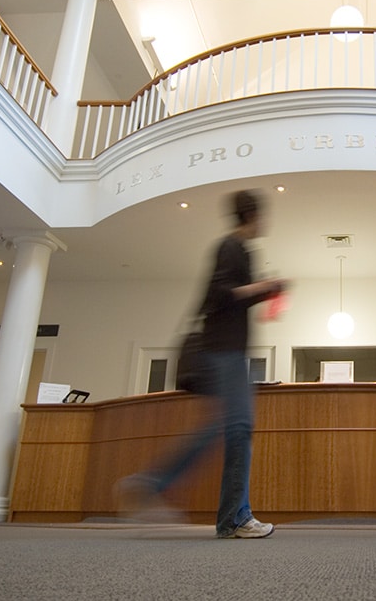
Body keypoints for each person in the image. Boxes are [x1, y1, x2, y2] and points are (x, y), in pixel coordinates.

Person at [116, 189, 289, 539]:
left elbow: (233, 297)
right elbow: (222, 294)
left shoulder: (239, 249)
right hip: (222, 350)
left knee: (227, 428)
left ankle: (221, 514)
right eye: (262, 217)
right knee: (237, 428)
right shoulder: (232, 247)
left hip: (226, 350)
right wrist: (265, 285)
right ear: (252, 216)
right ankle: (227, 515)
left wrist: (263, 291)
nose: (264, 223)